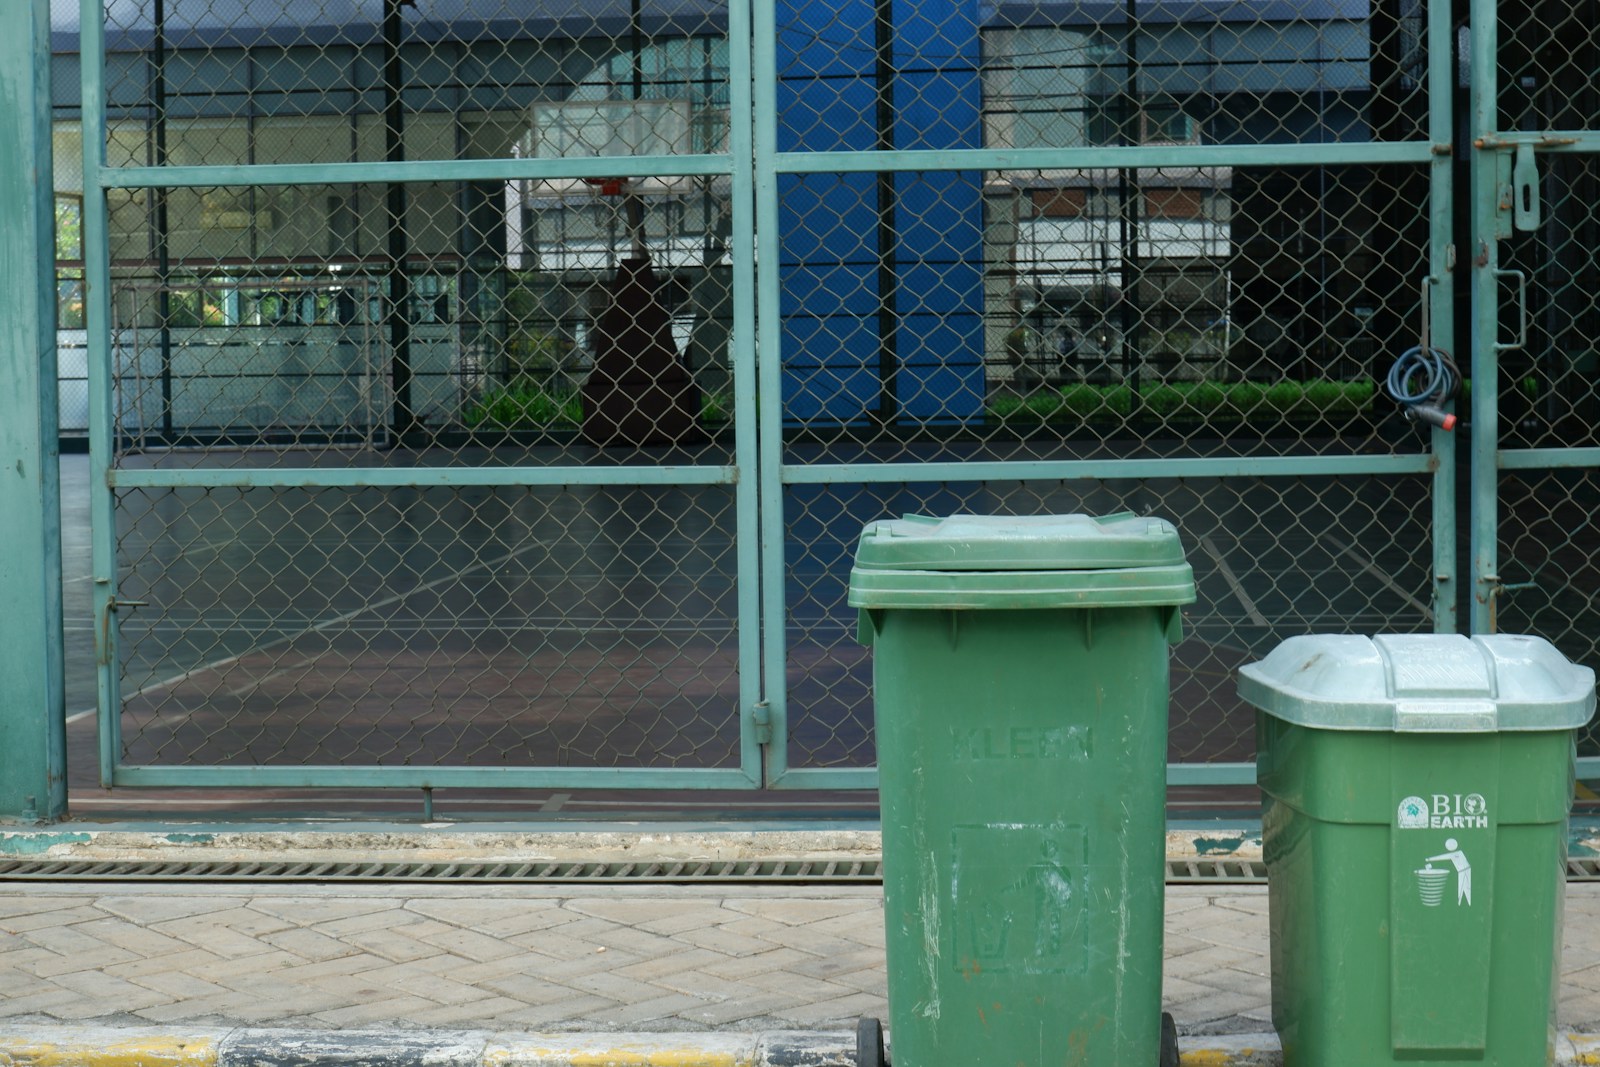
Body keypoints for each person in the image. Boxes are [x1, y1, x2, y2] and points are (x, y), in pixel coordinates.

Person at [1426, 839, 1471, 905]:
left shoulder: (1457, 853)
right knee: (1462, 889)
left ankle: (1463, 902)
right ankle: (1461, 902)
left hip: (1465, 870)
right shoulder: (1456, 854)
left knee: (1465, 889)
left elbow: (1444, 857)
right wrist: (1430, 859)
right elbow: (1444, 857)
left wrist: (1429, 859)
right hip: (1462, 871)